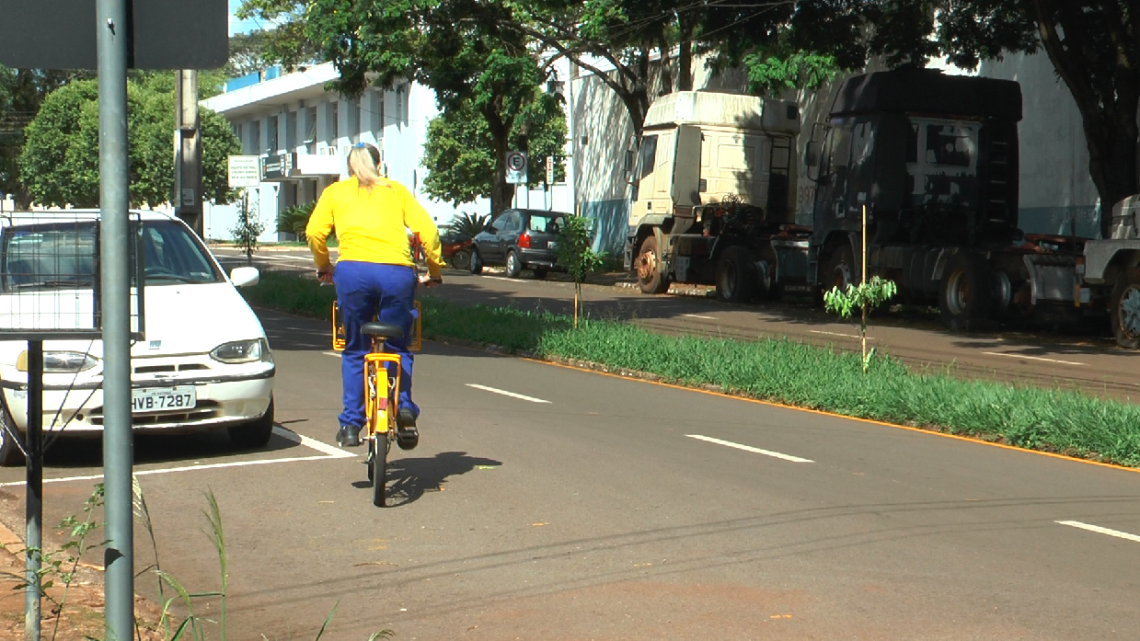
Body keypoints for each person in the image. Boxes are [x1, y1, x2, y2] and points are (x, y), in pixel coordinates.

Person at [306, 143, 443, 449]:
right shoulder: (397, 191)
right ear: (381, 166)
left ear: (350, 168)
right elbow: (429, 233)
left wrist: (324, 266)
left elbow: (315, 233)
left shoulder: (335, 193)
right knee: (398, 345)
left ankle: (352, 425)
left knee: (355, 349)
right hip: (397, 274)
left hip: (353, 274)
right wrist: (434, 270)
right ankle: (404, 406)